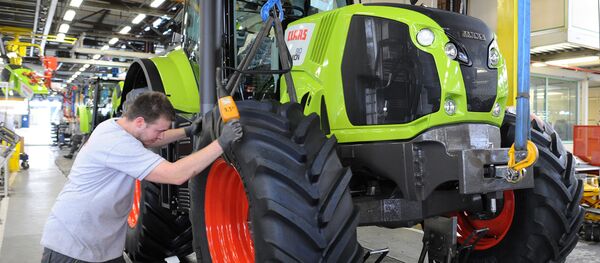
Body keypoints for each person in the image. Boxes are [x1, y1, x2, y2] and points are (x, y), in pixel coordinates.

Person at [40, 91, 243, 263]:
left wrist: (188, 131)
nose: (161, 136)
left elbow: (151, 139)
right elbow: (176, 175)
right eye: (160, 130)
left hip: (101, 245)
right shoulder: (117, 143)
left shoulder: (115, 125)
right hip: (73, 247)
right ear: (139, 122)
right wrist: (221, 143)